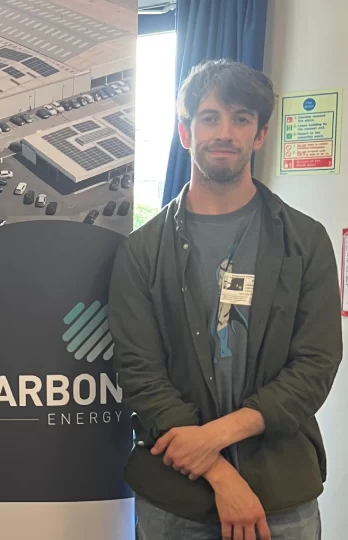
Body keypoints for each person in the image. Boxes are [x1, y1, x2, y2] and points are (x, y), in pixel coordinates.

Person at [108, 59, 341, 540]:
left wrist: (214, 436)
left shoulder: (305, 240)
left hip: (281, 495)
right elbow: (139, 373)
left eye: (241, 118)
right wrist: (219, 473)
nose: (224, 132)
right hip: (176, 497)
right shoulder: (142, 250)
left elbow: (316, 364)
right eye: (210, 117)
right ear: (185, 131)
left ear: (259, 135)